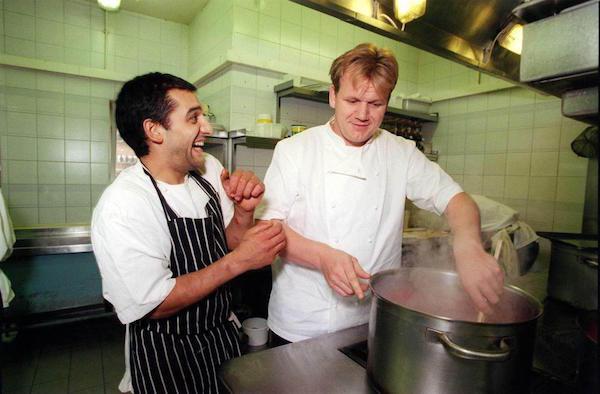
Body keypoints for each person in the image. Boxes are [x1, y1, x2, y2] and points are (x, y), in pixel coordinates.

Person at [258, 43, 504, 343]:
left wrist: (468, 245)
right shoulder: (294, 150)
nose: (363, 114)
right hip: (302, 321)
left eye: (376, 104)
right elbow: (268, 230)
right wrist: (322, 257)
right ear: (333, 96)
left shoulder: (400, 152)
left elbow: (456, 199)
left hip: (372, 320)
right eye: (352, 100)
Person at [91, 72, 286, 393]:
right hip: (165, 354)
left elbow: (228, 243)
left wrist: (244, 210)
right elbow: (155, 303)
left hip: (221, 338)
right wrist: (238, 262)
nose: (207, 128)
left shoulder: (207, 169)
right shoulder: (124, 205)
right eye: (193, 118)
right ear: (154, 130)